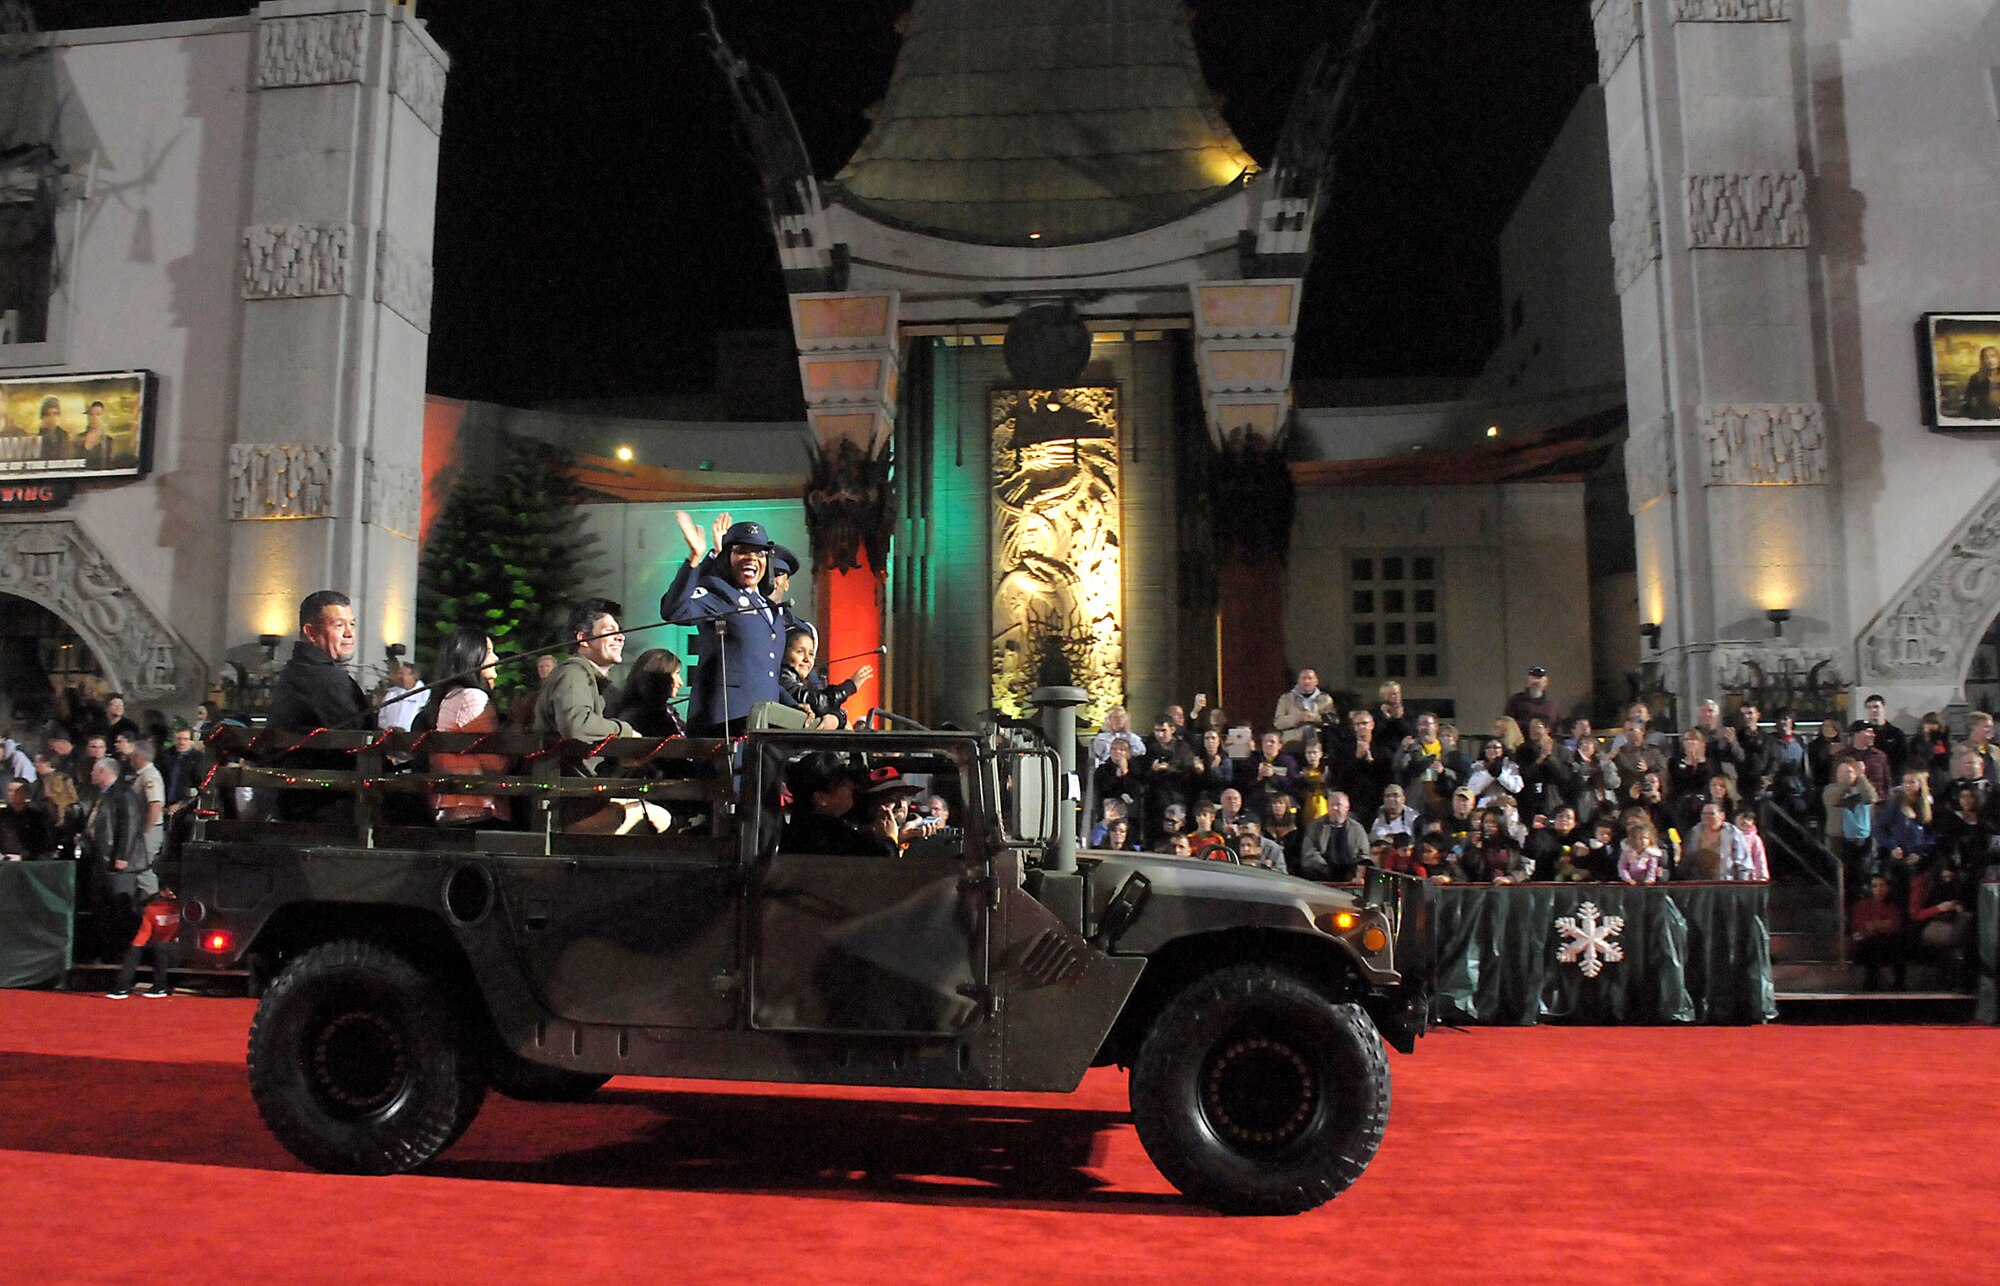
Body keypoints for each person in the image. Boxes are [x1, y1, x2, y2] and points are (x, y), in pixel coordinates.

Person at [661, 511, 787, 734]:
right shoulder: (720, 595)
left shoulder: (768, 607)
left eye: (759, 553)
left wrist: (796, 707)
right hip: (724, 723)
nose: (751, 558)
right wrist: (695, 558)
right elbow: (675, 610)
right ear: (727, 557)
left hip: (765, 725)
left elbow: (768, 673)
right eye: (742, 551)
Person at [266, 591, 371, 821]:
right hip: (322, 803)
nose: (349, 634)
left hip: (303, 797)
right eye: (338, 625)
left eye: (352, 624)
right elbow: (360, 740)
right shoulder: (321, 678)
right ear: (311, 632)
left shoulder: (303, 670)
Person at [534, 600, 640, 777]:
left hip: (574, 787)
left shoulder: (587, 677)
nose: (621, 637)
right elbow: (577, 724)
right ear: (583, 639)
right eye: (609, 631)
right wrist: (625, 731)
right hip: (563, 792)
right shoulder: (573, 673)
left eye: (620, 632)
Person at [423, 630, 512, 826]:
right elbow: (495, 763)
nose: (496, 658)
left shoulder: (450, 696)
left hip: (455, 805)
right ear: (472, 658)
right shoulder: (472, 698)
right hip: (475, 806)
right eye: (489, 652)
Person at [84, 756, 150, 954]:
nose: (91, 774)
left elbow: (129, 826)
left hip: (119, 863)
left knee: (120, 908)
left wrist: (123, 855)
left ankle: (123, 952)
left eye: (94, 770)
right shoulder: (103, 795)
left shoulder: (123, 794)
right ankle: (107, 950)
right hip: (101, 861)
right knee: (102, 909)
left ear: (104, 771)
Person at [776, 626, 873, 730]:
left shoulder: (802, 682)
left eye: (811, 654)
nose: (807, 659)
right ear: (783, 653)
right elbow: (818, 703)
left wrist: (838, 717)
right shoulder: (783, 678)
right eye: (800, 651)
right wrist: (849, 687)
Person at [105, 888, 180, 1000]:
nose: (171, 893)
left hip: (177, 950)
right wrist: (135, 947)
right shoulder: (152, 908)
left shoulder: (183, 907)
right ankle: (122, 986)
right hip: (158, 949)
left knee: (160, 946)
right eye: (167, 890)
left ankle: (160, 986)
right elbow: (145, 932)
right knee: (135, 950)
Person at [611, 647, 692, 739]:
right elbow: (683, 744)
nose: (681, 682)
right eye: (676, 674)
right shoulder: (658, 715)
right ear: (661, 677)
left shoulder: (629, 709)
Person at [1849, 874, 1906, 990]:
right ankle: (1871, 983)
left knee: (1894, 941)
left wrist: (1876, 925)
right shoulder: (1861, 905)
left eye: (1882, 885)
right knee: (1874, 943)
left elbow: (1894, 925)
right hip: (1864, 945)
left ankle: (1899, 983)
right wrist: (1881, 924)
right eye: (1874, 886)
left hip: (1885, 944)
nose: (1878, 889)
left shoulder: (1892, 906)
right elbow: (1860, 927)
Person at [1299, 791, 1368, 882]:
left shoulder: (1357, 829)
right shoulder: (1315, 826)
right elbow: (1309, 853)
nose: (1334, 808)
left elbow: (1364, 854)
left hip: (1351, 874)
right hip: (1320, 873)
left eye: (1338, 805)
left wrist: (1357, 871)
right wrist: (1325, 869)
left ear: (1347, 807)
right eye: (1331, 805)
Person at [1272, 667, 1335, 744]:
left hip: (1318, 742)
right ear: (1298, 681)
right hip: (1292, 742)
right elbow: (1278, 722)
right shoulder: (1286, 698)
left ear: (1316, 681)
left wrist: (1314, 718)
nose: (1306, 681)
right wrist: (1299, 717)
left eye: (1310, 678)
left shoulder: (1325, 699)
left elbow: (1332, 722)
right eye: (1303, 678)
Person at [1503, 665, 1558, 732]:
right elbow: (1507, 724)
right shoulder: (1515, 700)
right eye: (1533, 677)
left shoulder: (1551, 705)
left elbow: (1556, 728)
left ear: (1545, 682)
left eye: (1539, 678)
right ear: (1528, 680)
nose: (1536, 681)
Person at [377, 661, 425, 733]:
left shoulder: (424, 694)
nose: (399, 676)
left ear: (413, 676)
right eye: (399, 673)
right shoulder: (391, 694)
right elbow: (381, 717)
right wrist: (388, 727)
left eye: (402, 674)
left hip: (412, 738)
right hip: (390, 736)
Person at [1617, 815, 1663, 885]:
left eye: (1646, 838)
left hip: (1646, 883)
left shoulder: (1651, 853)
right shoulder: (1627, 851)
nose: (1644, 841)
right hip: (1630, 883)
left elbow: (1652, 868)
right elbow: (1622, 866)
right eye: (1640, 838)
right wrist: (1628, 879)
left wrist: (1650, 879)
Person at [1962, 343, 2000, 418]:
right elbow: (1969, 400)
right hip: (1982, 416)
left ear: (1998, 358)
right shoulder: (1975, 378)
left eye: (1993, 356)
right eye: (1986, 357)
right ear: (1982, 361)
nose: (1990, 360)